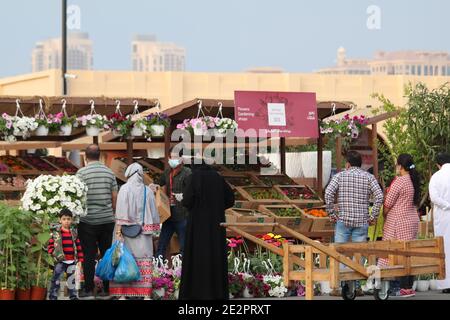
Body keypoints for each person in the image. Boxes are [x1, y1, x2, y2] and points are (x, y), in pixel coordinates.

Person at [325, 151, 384, 296]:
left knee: (341, 253)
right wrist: (373, 216)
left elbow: (328, 194)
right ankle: (356, 286)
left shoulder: (340, 176)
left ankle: (343, 285)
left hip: (343, 221)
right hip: (362, 221)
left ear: (348, 164)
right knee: (359, 253)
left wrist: (332, 214)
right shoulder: (368, 177)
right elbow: (379, 196)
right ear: (361, 164)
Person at [179, 160, 235, 300]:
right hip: (216, 225)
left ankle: (196, 293)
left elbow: (187, 200)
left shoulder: (194, 177)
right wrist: (217, 207)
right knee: (214, 255)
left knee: (196, 256)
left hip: (197, 226)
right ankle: (216, 293)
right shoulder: (218, 177)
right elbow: (230, 199)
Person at [110, 163, 160, 299]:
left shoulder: (124, 189)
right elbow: (154, 213)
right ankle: (146, 295)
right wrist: (154, 229)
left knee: (123, 260)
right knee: (144, 260)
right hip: (143, 233)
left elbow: (120, 213)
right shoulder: (147, 191)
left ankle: (122, 296)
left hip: (126, 234)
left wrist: (118, 232)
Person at [76, 144, 118, 299]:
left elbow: (77, 196)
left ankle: (88, 290)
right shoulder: (109, 173)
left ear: (86, 157)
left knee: (88, 255)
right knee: (106, 254)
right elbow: (115, 198)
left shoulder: (81, 173)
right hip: (107, 220)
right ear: (100, 156)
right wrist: (111, 212)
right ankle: (106, 290)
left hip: (87, 221)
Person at [378, 154, 421, 297]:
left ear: (400, 167)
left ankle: (391, 286)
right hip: (412, 220)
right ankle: (407, 287)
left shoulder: (400, 181)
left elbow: (388, 202)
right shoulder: (414, 180)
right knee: (408, 254)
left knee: (392, 253)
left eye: (397, 165)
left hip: (399, 221)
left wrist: (384, 214)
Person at [155, 147, 191, 258]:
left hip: (182, 216)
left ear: (181, 159)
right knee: (161, 244)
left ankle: (183, 272)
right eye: (170, 157)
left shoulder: (188, 173)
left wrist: (183, 196)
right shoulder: (167, 172)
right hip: (168, 216)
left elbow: (192, 193)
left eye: (175, 157)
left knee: (184, 246)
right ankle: (158, 270)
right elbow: (158, 183)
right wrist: (154, 186)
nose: (172, 159)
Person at [48, 209, 84, 300]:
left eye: (68, 219)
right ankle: (53, 296)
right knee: (56, 280)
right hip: (60, 261)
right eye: (64, 219)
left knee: (71, 280)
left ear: (71, 220)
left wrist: (80, 260)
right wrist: (53, 252)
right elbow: (50, 245)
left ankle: (73, 296)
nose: (66, 221)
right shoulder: (56, 234)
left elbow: (78, 247)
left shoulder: (74, 233)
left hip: (71, 261)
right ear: (60, 220)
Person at [429, 152, 450, 294]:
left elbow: (434, 197)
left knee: (444, 249)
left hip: (443, 216)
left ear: (438, 164)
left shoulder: (436, 176)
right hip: (444, 214)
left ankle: (446, 283)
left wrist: (447, 205)